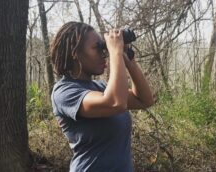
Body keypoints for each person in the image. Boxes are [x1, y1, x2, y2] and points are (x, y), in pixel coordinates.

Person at [50, 21, 154, 172]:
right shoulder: (64, 92)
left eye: (104, 47)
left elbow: (144, 100)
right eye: (97, 48)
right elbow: (115, 103)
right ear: (75, 53)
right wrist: (115, 52)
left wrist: (127, 59)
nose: (104, 53)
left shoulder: (102, 87)